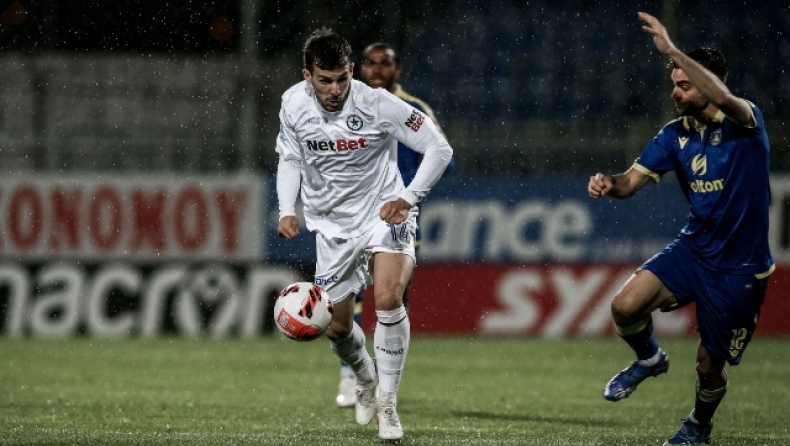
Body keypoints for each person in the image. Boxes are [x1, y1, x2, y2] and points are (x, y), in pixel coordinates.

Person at [588, 12, 774, 445]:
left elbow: (724, 97)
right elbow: (629, 183)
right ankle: (650, 359)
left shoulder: (745, 123)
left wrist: (672, 49)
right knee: (625, 307)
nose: (674, 92)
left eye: (685, 85)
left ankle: (699, 425)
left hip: (740, 268)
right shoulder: (675, 135)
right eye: (674, 83)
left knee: (709, 366)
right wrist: (609, 183)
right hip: (694, 250)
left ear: (707, 84)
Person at [276, 28, 453, 442]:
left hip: (383, 214)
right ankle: (365, 376)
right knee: (336, 329)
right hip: (332, 227)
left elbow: (439, 149)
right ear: (307, 75)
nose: (335, 89)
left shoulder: (377, 103)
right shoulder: (292, 104)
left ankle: (388, 404)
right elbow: (290, 158)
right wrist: (287, 209)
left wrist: (408, 198)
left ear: (352, 71)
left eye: (342, 78)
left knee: (388, 299)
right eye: (325, 80)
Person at [333, 41, 456, 409]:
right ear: (359, 68)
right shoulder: (345, 106)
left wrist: (407, 193)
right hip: (353, 214)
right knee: (348, 295)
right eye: (369, 63)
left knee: (392, 297)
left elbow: (444, 158)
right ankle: (350, 375)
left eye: (383, 64)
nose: (376, 70)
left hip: (396, 216)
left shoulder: (413, 109)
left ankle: (385, 379)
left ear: (397, 70)